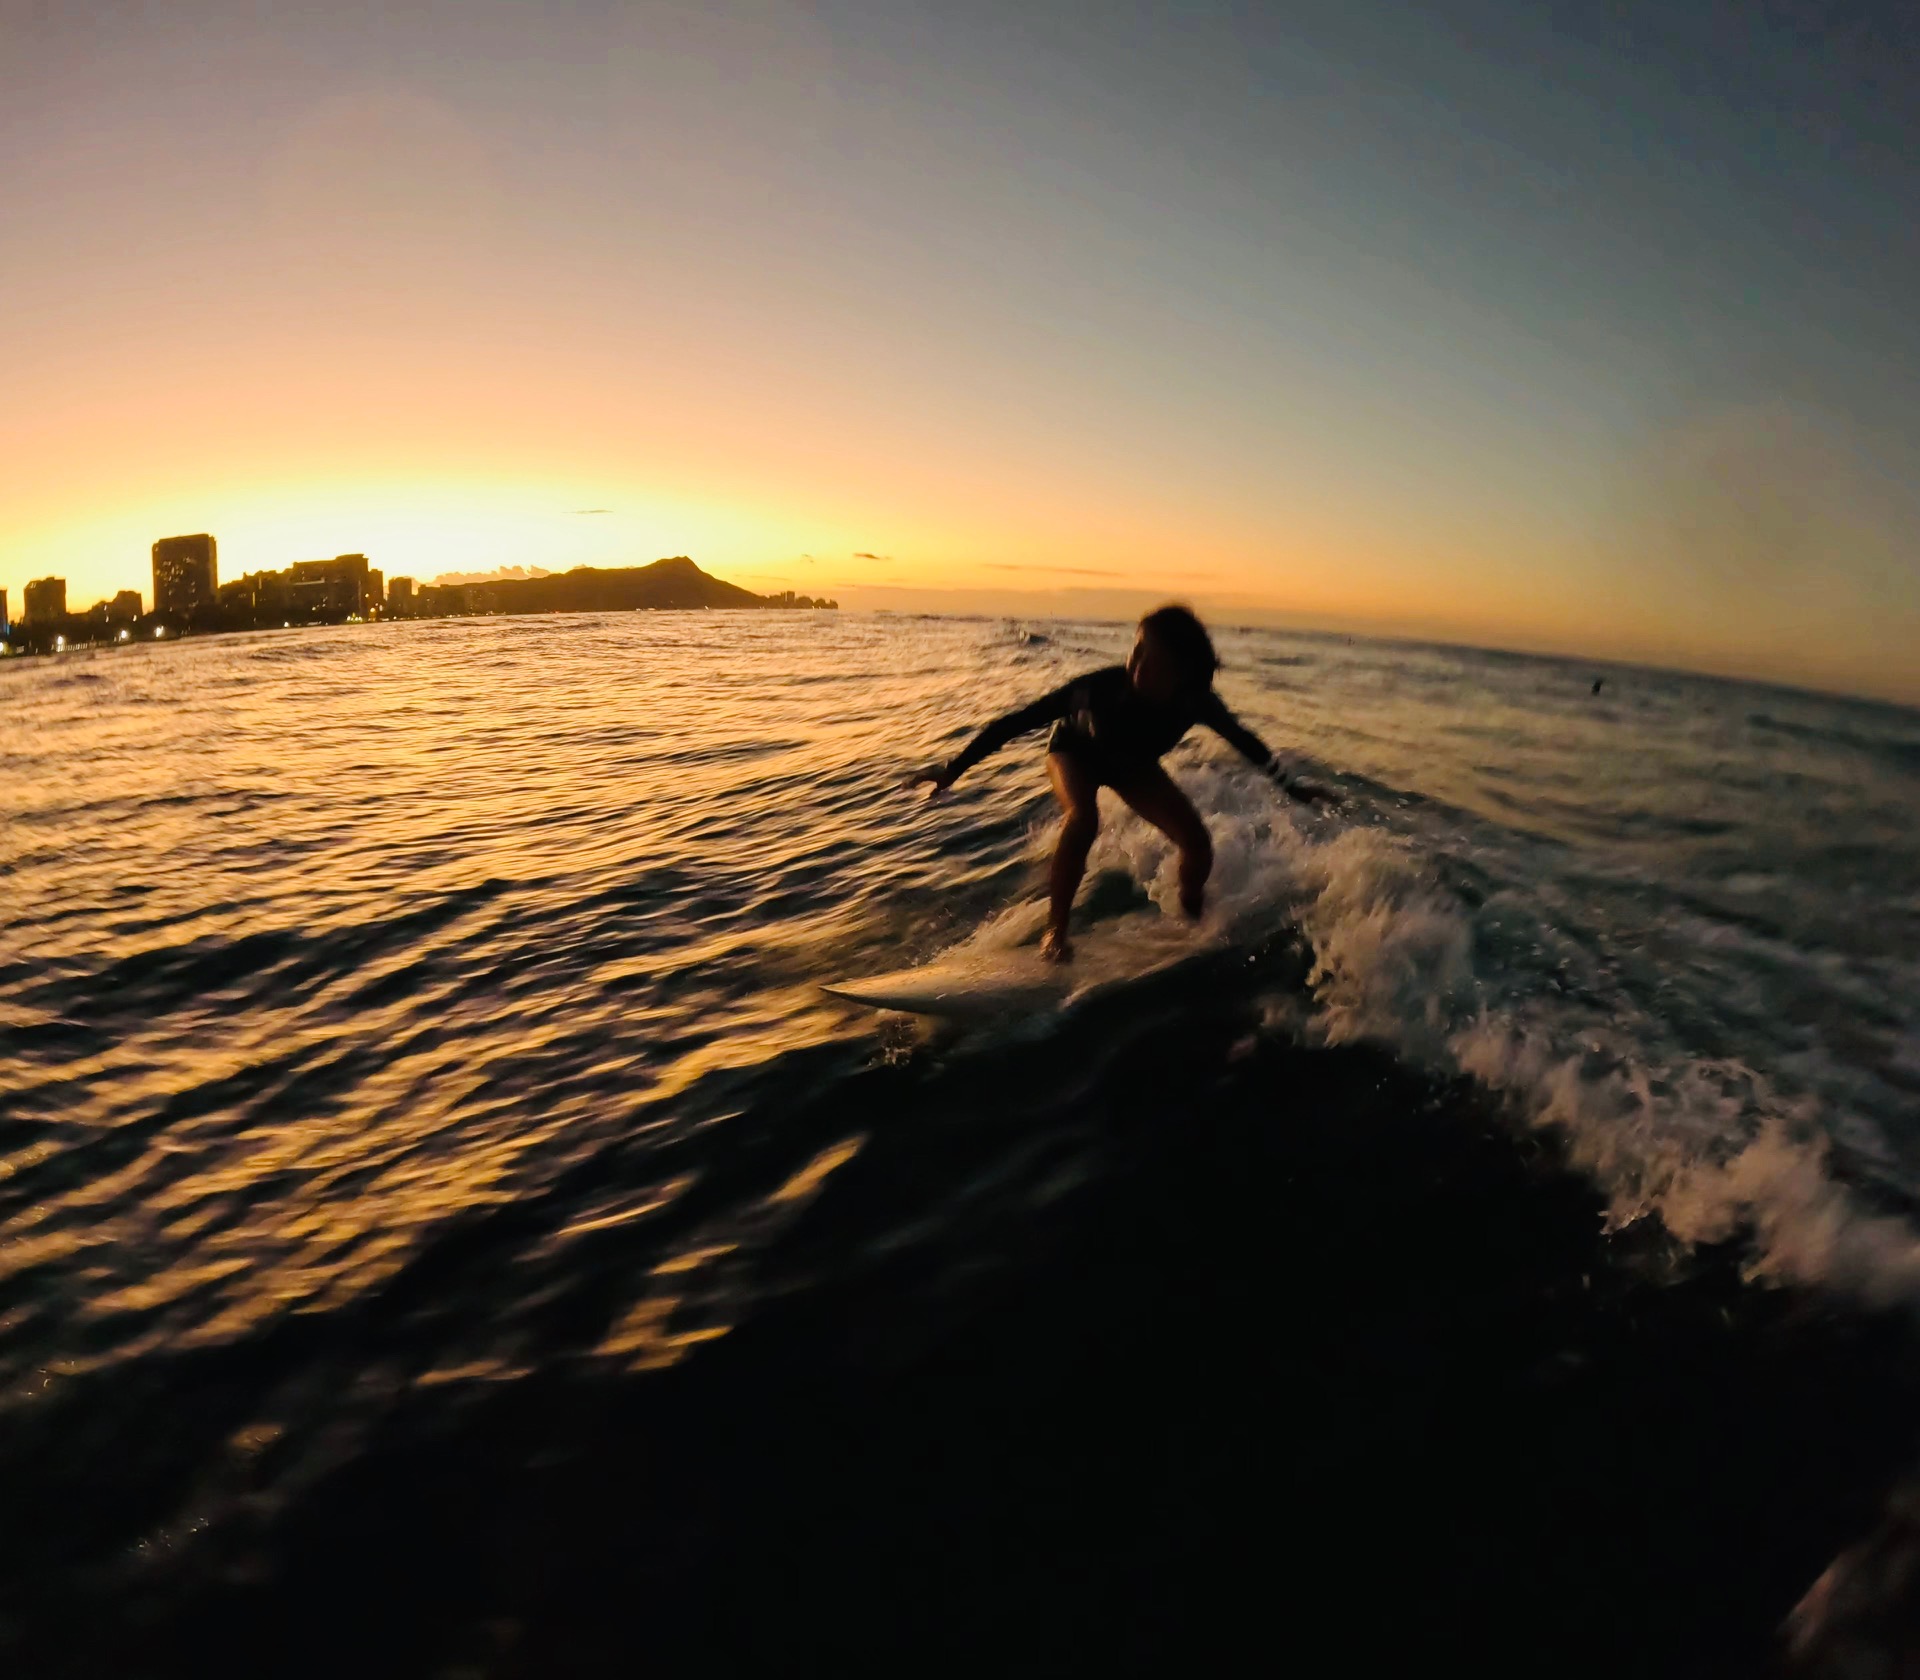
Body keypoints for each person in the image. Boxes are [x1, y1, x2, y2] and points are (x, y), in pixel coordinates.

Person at [913, 605, 1332, 962]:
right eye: (1137, 649)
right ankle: (1055, 932)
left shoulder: (1197, 702)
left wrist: (1292, 788)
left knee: (1197, 844)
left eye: (1153, 659)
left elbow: (1246, 742)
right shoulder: (1096, 690)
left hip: (1131, 765)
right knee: (1083, 819)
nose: (1137, 664)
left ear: (1181, 673)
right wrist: (954, 768)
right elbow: (1017, 722)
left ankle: (1191, 915)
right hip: (1075, 753)